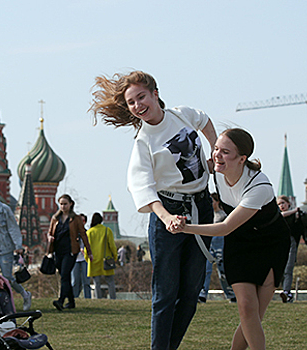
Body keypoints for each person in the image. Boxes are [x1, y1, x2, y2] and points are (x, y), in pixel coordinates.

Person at [90, 70, 217, 350]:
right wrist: (167, 217)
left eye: (141, 97)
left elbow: (204, 120)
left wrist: (214, 149)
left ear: (155, 94)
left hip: (201, 207)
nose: (137, 106)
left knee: (191, 292)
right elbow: (143, 188)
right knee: (165, 294)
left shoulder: (182, 115)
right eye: (132, 102)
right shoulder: (143, 142)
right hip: (168, 213)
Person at [172, 128, 291, 350]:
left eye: (225, 152)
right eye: (216, 148)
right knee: (246, 308)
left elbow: (225, 227)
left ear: (242, 159)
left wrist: (184, 228)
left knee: (255, 314)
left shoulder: (259, 186)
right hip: (239, 241)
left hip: (271, 242)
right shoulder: (216, 171)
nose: (217, 155)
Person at [0, 187, 33, 311]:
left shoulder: (4, 210)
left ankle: (25, 294)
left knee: (7, 277)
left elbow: (13, 228)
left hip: (5, 246)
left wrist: (18, 246)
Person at [46, 194, 93, 311]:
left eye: (65, 204)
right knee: (64, 276)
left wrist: (89, 251)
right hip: (58, 250)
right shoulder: (55, 218)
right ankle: (71, 301)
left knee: (65, 275)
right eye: (61, 204)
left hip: (71, 251)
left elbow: (83, 234)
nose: (63, 206)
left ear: (70, 204)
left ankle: (61, 301)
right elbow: (50, 232)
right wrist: (49, 238)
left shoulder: (75, 219)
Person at [199, 192, 235, 303]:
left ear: (217, 202)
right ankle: (202, 294)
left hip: (221, 244)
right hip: (209, 244)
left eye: (212, 201)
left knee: (223, 271)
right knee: (205, 269)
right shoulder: (208, 215)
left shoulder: (224, 215)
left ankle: (231, 294)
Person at [85, 213, 117, 300]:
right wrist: (115, 257)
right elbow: (112, 246)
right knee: (110, 281)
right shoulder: (107, 230)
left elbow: (86, 248)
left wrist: (87, 259)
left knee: (96, 282)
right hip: (106, 260)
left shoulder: (89, 232)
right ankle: (113, 298)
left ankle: (98, 298)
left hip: (94, 260)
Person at [278, 195, 301, 303]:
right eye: (279, 204)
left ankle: (286, 292)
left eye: (283, 203)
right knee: (280, 269)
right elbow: (281, 215)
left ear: (288, 203)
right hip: (280, 244)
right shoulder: (277, 216)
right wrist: (295, 210)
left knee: (288, 269)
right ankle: (287, 292)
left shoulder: (294, 216)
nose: (281, 205)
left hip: (291, 243)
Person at [71, 214, 91, 299]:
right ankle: (74, 297)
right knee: (75, 281)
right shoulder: (72, 233)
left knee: (86, 281)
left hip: (84, 259)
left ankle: (87, 298)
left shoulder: (87, 233)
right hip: (75, 259)